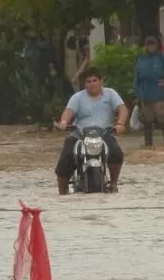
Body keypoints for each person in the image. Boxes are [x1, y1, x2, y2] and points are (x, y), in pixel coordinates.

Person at [55, 66, 129, 195]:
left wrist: (120, 123)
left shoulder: (111, 94)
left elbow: (122, 109)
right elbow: (68, 112)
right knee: (65, 159)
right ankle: (62, 193)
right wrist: (64, 122)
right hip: (80, 135)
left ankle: (113, 183)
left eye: (94, 80)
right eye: (88, 81)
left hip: (104, 133)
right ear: (84, 84)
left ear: (101, 82)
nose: (91, 84)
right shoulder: (77, 97)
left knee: (116, 153)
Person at [133, 36, 164, 146]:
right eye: (148, 44)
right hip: (145, 94)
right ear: (145, 46)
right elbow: (137, 78)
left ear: (157, 45)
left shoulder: (163, 57)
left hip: (159, 93)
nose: (151, 46)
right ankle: (148, 144)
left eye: (153, 44)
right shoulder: (141, 59)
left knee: (162, 118)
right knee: (147, 119)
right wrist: (137, 94)